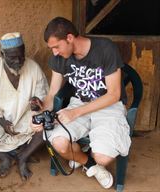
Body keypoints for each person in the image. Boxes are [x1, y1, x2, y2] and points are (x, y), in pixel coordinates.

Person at [31, 17, 131, 189]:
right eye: (51, 48)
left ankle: (90, 156)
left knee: (103, 157)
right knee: (60, 143)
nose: (54, 52)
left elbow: (114, 94)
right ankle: (90, 164)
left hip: (108, 105)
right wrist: (39, 115)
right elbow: (53, 92)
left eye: (56, 46)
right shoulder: (60, 58)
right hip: (79, 102)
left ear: (69, 38)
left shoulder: (105, 48)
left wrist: (76, 113)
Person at [0, 32, 48, 181]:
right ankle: (5, 157)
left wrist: (36, 104)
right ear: (2, 54)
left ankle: (23, 157)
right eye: (12, 57)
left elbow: (42, 96)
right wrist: (3, 123)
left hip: (25, 119)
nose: (18, 61)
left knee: (50, 122)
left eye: (21, 55)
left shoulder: (33, 67)